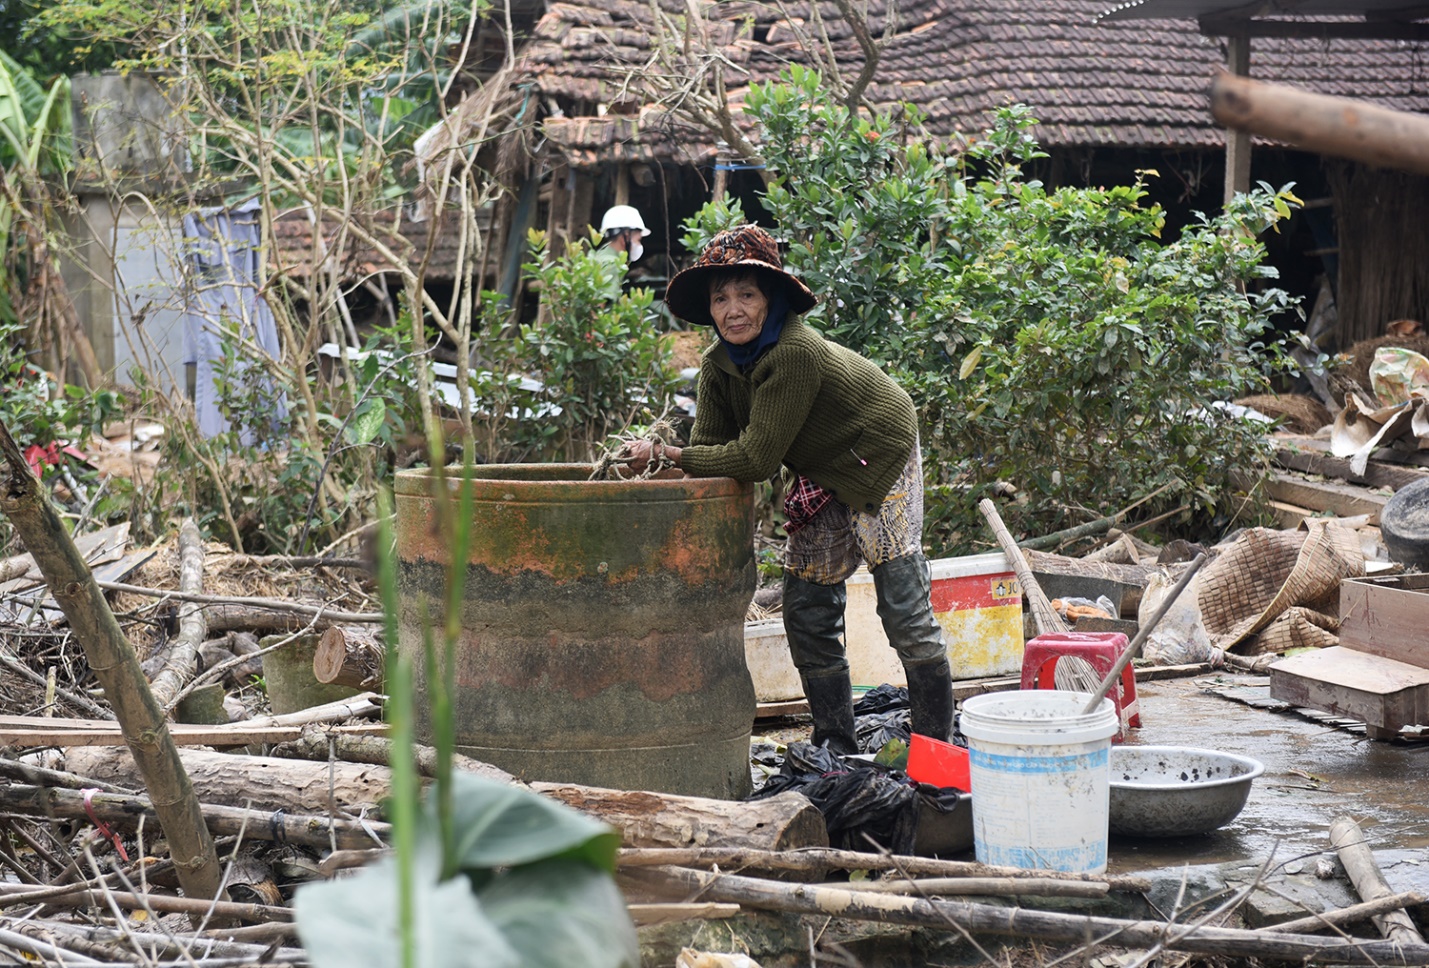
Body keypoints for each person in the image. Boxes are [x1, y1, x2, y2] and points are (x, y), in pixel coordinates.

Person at [617, 224, 954, 753]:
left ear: (770, 298)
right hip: (820, 467)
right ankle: (834, 745)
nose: (733, 311)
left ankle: (937, 746)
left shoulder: (795, 351)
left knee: (901, 603)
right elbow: (710, 452)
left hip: (876, 451)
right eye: (720, 298)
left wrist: (668, 454)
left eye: (747, 295)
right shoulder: (718, 366)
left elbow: (754, 460)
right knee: (807, 609)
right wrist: (662, 470)